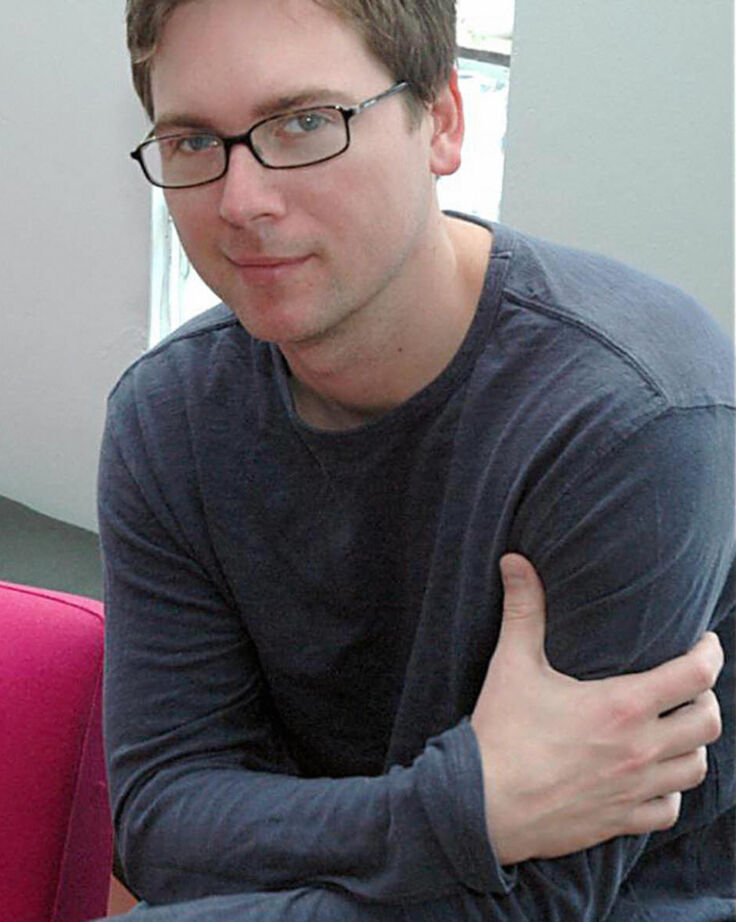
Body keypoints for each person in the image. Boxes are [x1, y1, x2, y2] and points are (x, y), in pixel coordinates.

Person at [98, 0, 732, 918]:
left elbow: (538, 904)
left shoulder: (632, 419)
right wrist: (468, 806)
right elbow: (161, 824)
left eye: (305, 123)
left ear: (441, 122)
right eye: (194, 142)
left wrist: (288, 839)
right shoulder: (165, 417)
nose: (241, 202)